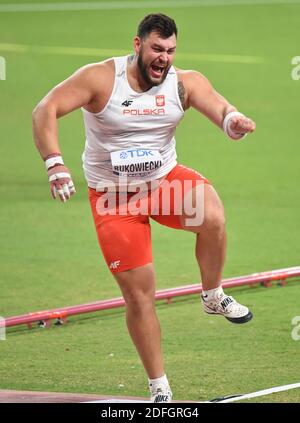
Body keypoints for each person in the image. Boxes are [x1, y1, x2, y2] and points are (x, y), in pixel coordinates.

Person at [32, 13, 256, 403]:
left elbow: (219, 106)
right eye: (156, 48)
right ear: (137, 45)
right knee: (140, 295)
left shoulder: (184, 83)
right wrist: (55, 163)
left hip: (163, 184)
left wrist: (232, 121)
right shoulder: (101, 78)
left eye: (170, 50)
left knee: (214, 215)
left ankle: (212, 294)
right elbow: (45, 109)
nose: (163, 58)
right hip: (114, 198)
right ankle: (159, 388)